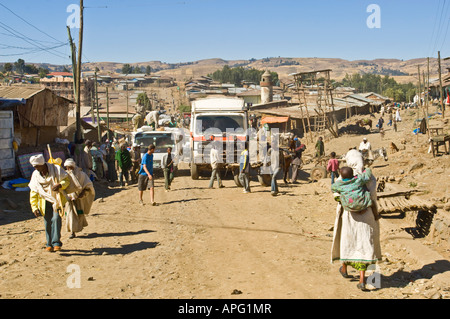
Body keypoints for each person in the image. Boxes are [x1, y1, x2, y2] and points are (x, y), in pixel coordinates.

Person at [331, 149, 381, 292]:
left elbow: (335, 193)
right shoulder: (367, 177)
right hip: (367, 214)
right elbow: (373, 195)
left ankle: (344, 268)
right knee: (365, 244)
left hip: (349, 215)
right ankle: (362, 280)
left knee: (348, 241)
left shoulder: (342, 178)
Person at [28, 154, 71, 252]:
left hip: (57, 199)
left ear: (43, 164)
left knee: (56, 219)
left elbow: (67, 180)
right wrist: (34, 207)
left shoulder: (56, 170)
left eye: (37, 166)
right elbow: (34, 192)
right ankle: (49, 243)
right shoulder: (35, 175)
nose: (36, 168)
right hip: (44, 201)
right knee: (47, 222)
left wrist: (60, 185)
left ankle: (56, 242)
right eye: (35, 167)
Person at [64, 158, 95, 239]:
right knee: (70, 214)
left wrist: (83, 193)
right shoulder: (65, 175)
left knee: (79, 213)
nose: (69, 169)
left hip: (79, 198)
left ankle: (78, 227)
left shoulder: (81, 175)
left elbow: (88, 185)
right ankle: (72, 232)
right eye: (67, 167)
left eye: (70, 167)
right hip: (69, 198)